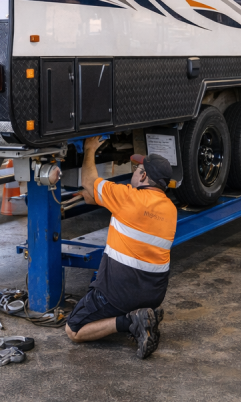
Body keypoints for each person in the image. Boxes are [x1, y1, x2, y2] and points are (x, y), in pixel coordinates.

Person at [64, 136, 178, 359]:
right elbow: (135, 214)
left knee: (73, 330)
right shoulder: (170, 209)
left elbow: (89, 180)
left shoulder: (126, 197)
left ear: (144, 176)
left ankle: (129, 322)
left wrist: (89, 149)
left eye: (137, 169)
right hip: (154, 294)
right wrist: (99, 198)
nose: (133, 172)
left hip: (119, 294)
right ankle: (142, 314)